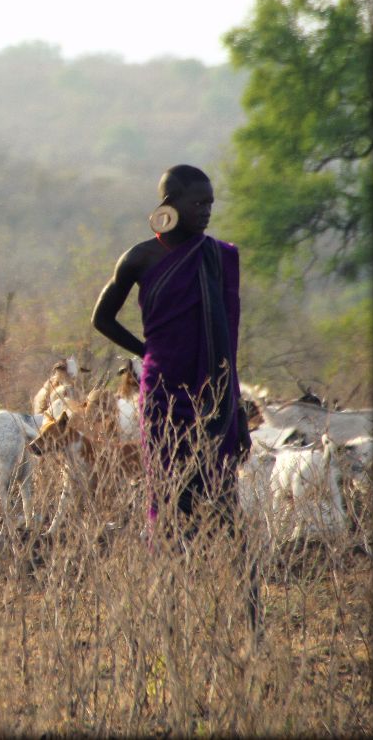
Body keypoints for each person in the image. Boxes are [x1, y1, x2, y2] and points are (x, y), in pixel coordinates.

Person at [92, 165, 258, 630]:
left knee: (228, 513)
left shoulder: (218, 258)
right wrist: (148, 353)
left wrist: (237, 416)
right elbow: (101, 318)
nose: (206, 211)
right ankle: (165, 619)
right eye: (196, 203)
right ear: (169, 204)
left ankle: (250, 622)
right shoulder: (140, 258)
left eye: (210, 203)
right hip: (164, 398)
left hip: (215, 400)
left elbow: (227, 345)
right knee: (168, 508)